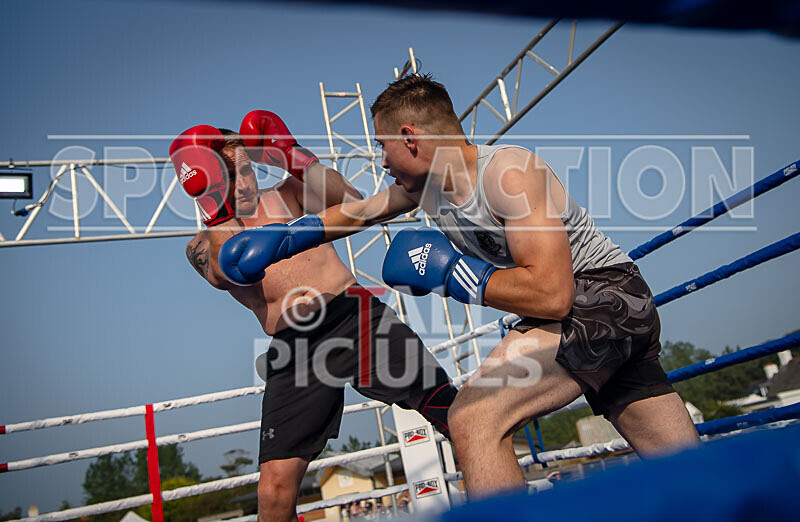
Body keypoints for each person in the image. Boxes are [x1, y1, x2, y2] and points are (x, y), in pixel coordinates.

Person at [219, 75, 701, 499]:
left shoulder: (509, 174)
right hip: (600, 316)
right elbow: (356, 212)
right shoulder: (426, 188)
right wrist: (282, 239)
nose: (382, 162)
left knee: (472, 420)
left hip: (597, 301)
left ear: (409, 138)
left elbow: (553, 295)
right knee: (686, 470)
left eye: (383, 146)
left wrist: (456, 274)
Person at [169, 110, 457, 522]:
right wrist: (214, 204)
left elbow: (353, 202)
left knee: (451, 413)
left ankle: (511, 511)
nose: (246, 182)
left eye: (248, 170)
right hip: (295, 349)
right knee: (274, 489)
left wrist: (295, 157)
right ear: (205, 182)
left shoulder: (287, 195)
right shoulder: (202, 244)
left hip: (353, 316)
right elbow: (226, 272)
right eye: (232, 176)